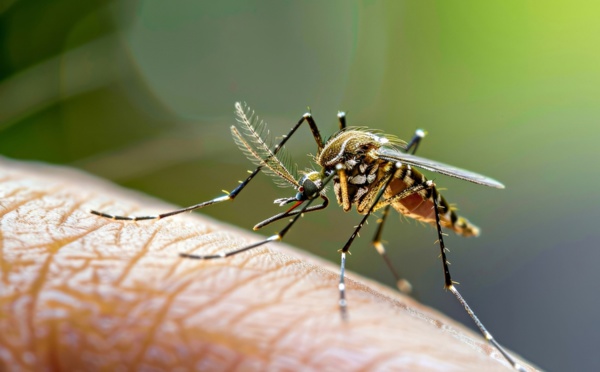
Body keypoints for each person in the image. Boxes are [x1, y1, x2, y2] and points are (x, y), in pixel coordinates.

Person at [0, 157, 533, 371]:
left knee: (372, 220)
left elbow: (375, 183)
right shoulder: (335, 169)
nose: (311, 194)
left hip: (410, 187)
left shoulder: (355, 168)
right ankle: (235, 204)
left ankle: (437, 284)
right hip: (370, 177)